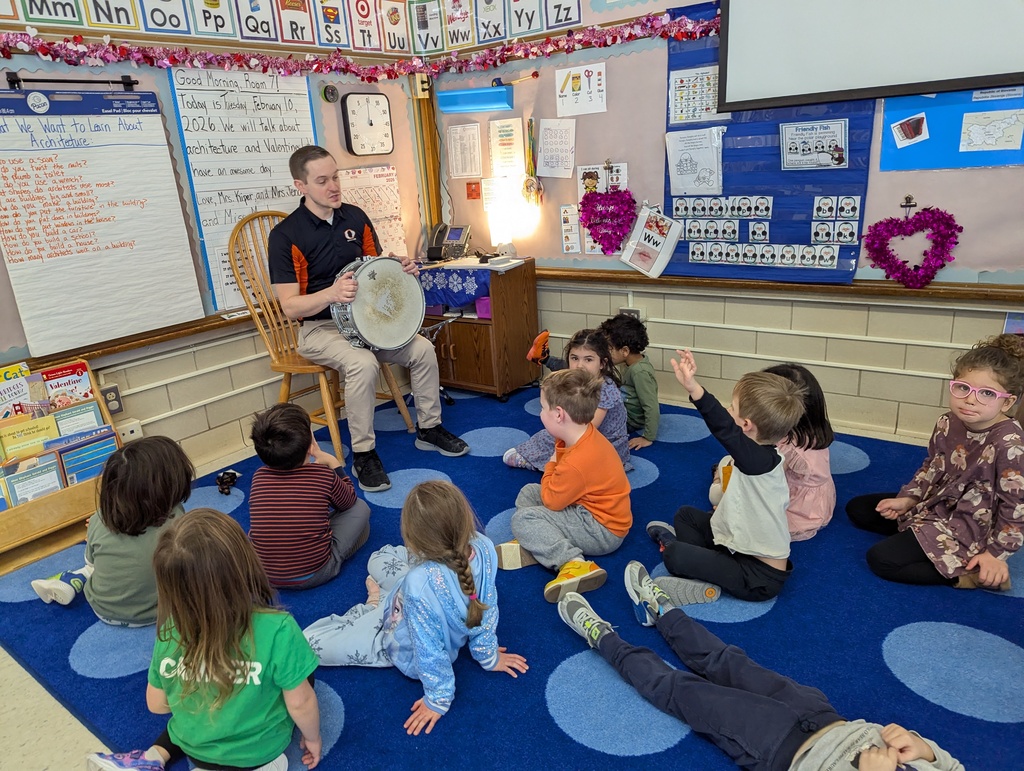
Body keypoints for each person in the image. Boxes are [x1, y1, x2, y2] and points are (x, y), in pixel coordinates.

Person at [555, 563, 964, 771]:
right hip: (827, 718)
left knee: (684, 691)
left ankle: (604, 639)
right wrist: (925, 748)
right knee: (727, 661)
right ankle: (661, 612)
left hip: (781, 748)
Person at [268, 145, 469, 494]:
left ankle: (429, 428)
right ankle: (364, 453)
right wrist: (331, 294)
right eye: (322, 180)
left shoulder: (355, 217)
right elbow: (289, 307)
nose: (333, 186)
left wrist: (399, 268)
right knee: (362, 363)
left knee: (421, 348)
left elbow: (373, 274)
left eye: (335, 177)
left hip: (366, 323)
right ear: (300, 186)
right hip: (320, 328)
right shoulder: (285, 236)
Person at [86, 509, 322, 771]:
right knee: (303, 674)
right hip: (260, 753)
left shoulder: (171, 631)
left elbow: (157, 705)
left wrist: (199, 679)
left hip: (196, 748)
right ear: (245, 564)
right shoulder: (278, 629)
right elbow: (301, 703)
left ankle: (152, 757)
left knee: (202, 702)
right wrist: (313, 738)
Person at [303, 481, 527, 735]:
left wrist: (438, 698)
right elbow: (488, 607)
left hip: (392, 636)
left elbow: (427, 648)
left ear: (415, 539)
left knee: (307, 644)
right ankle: (385, 593)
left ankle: (369, 606)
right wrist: (488, 655)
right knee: (379, 557)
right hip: (408, 591)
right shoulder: (485, 546)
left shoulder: (419, 583)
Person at [846, 333, 1024, 589]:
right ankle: (923, 535)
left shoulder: (1010, 443)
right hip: (937, 503)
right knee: (859, 509)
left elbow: (1016, 507)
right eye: (963, 388)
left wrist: (995, 554)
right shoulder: (947, 422)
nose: (970, 399)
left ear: (1007, 401)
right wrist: (909, 499)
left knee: (881, 560)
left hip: (972, 523)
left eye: (986, 393)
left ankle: (968, 575)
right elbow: (932, 466)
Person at [647, 349, 804, 603]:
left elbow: (724, 428)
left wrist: (694, 388)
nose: (728, 410)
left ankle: (699, 576)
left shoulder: (759, 460)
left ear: (746, 425)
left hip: (758, 577)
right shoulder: (761, 455)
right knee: (685, 515)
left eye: (732, 407)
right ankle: (704, 562)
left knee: (674, 555)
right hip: (736, 546)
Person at [497, 368, 632, 602]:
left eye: (542, 408)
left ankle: (574, 563)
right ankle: (540, 541)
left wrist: (550, 464)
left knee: (523, 519)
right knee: (528, 492)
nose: (540, 413)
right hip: (591, 512)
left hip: (602, 531)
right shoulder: (583, 433)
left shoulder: (577, 461)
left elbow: (551, 500)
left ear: (559, 414)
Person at [31, 437, 194, 626]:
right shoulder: (177, 520)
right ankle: (74, 580)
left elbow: (91, 562)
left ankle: (73, 580)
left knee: (93, 568)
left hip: (103, 608)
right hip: (158, 614)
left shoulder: (98, 518)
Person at [248, 403, 372, 589]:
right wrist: (334, 464)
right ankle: (335, 559)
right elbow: (349, 501)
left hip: (265, 574)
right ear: (309, 444)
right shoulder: (323, 475)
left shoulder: (258, 477)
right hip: (314, 574)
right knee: (362, 509)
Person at [709, 363, 835, 541]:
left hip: (796, 510)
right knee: (729, 462)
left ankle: (717, 482)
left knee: (722, 485)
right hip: (817, 498)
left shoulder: (786, 448)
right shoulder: (811, 430)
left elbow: (764, 488)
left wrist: (729, 509)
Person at [505, 328, 630, 470]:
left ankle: (541, 462)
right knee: (551, 433)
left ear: (602, 363)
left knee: (554, 437)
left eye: (588, 359)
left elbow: (587, 430)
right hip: (585, 435)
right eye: (574, 358)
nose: (579, 365)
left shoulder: (605, 389)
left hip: (604, 445)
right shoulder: (579, 381)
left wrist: (560, 428)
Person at [599, 313, 660, 450]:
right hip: (622, 407)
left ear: (625, 351)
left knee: (597, 427)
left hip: (630, 420)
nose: (605, 353)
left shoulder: (640, 372)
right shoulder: (629, 363)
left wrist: (648, 437)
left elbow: (651, 406)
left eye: (608, 349)